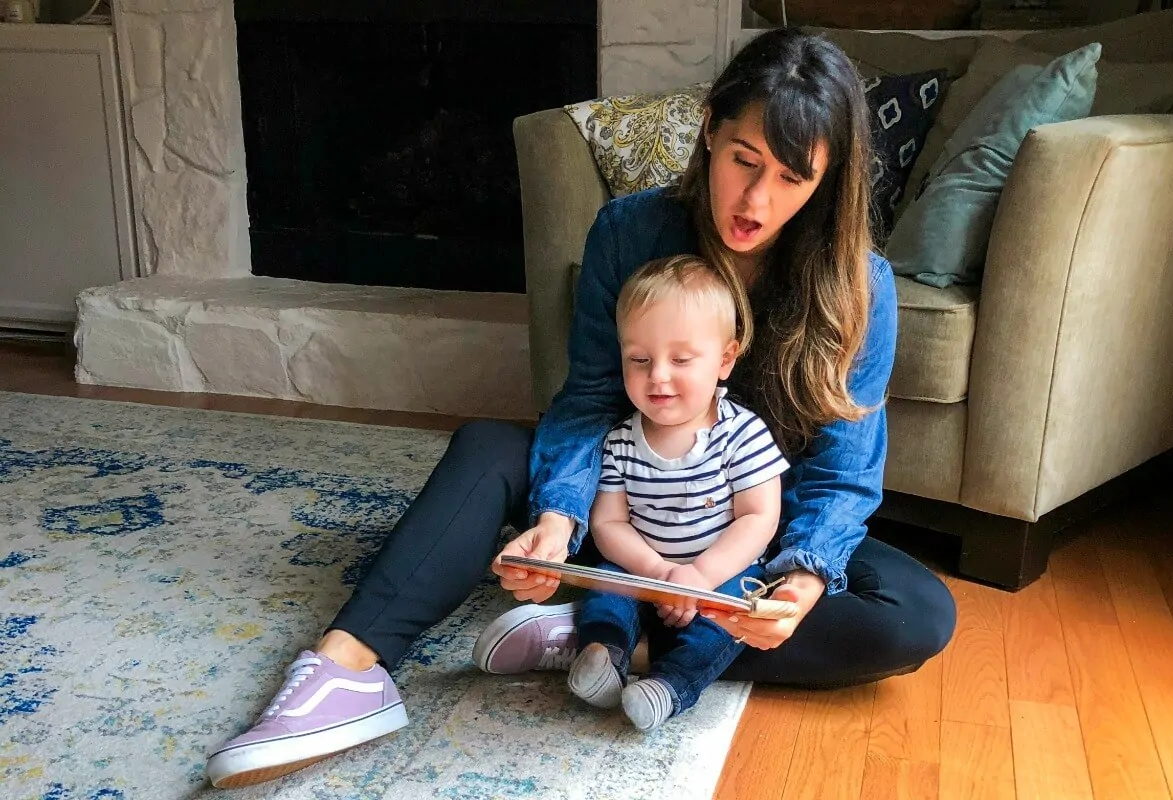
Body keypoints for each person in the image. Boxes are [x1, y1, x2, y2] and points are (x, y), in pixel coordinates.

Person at [205, 28, 956, 789]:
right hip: (622, 506)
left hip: (744, 543)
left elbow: (844, 479)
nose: (758, 201)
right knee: (488, 449)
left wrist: (801, 583)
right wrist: (559, 522)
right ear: (709, 132)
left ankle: (603, 632)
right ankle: (349, 669)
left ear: (826, 183)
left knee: (917, 614)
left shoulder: (863, 287)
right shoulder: (631, 230)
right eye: (744, 161)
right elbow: (591, 399)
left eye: (793, 179)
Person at [564, 254, 790, 731]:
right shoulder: (621, 440)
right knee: (606, 592)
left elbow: (759, 518)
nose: (658, 375)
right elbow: (608, 523)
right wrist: (660, 573)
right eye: (639, 360)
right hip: (644, 567)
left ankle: (671, 685)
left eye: (681, 360)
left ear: (725, 359)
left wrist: (701, 576)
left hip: (719, 576)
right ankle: (603, 654)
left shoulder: (742, 434)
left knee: (727, 626)